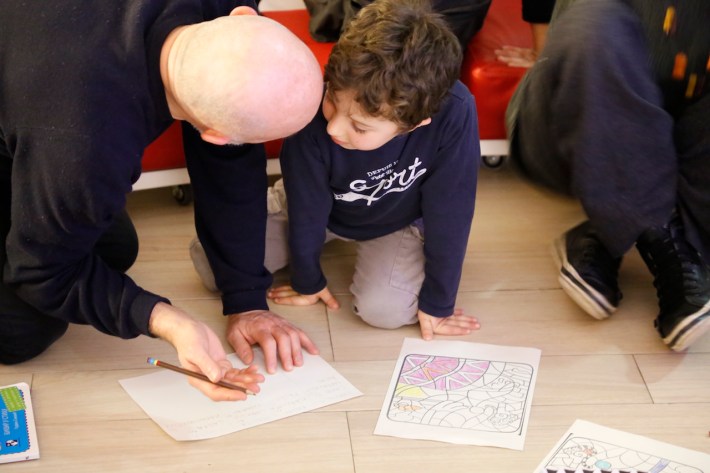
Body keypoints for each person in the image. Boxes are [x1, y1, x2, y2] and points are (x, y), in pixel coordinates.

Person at [0, 1, 325, 401]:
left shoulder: (223, 11)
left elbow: (232, 170)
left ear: (243, 14)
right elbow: (40, 272)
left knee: (114, 248)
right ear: (216, 135)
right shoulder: (87, 142)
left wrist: (247, 298)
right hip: (41, 111)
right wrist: (170, 322)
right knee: (24, 331)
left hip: (33, 79)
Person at [192, 0, 482, 340]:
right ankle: (284, 210)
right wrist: (307, 279)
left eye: (359, 127)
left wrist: (439, 302)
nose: (334, 129)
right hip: (314, 199)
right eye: (331, 99)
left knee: (384, 311)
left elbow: (451, 209)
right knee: (211, 264)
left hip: (397, 218)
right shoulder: (314, 98)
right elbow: (307, 205)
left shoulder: (455, 111)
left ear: (414, 125)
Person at [506, 0, 710, 351]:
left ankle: (616, 224)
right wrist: (548, 55)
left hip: (682, 142)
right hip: (580, 116)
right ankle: (656, 230)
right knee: (595, 23)